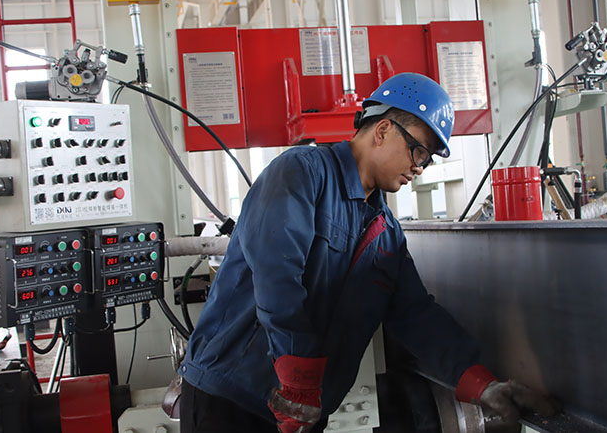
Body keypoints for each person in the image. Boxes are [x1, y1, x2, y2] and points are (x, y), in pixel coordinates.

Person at [178, 73, 555, 433]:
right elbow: (278, 277)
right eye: (419, 151)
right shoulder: (301, 174)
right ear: (383, 130)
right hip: (230, 400)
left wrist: (481, 384)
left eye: (427, 160)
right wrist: (298, 376)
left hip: (303, 411)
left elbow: (415, 315)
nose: (419, 169)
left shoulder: (386, 234)